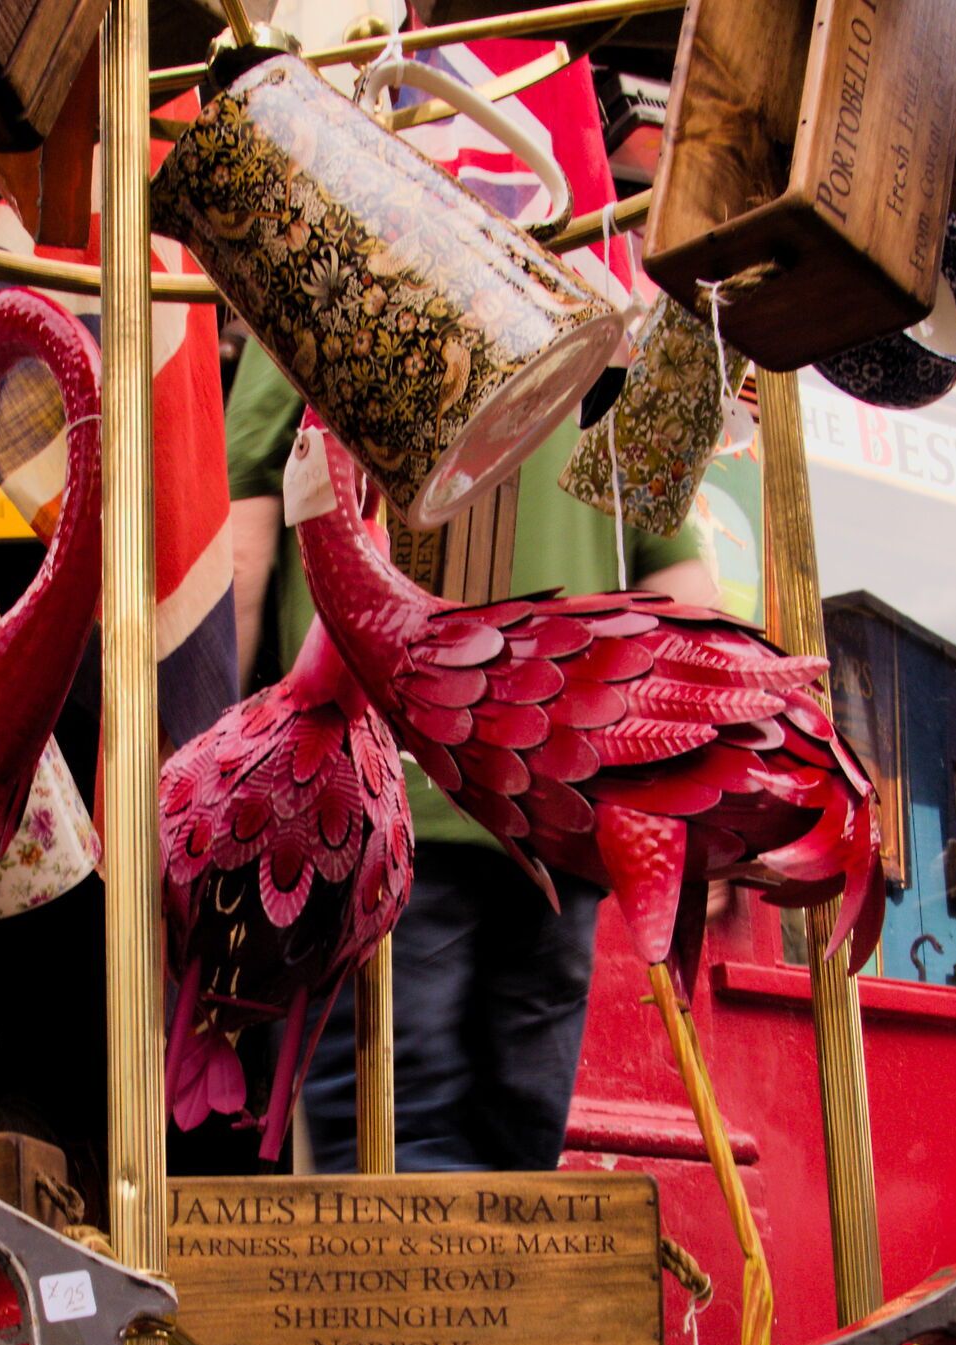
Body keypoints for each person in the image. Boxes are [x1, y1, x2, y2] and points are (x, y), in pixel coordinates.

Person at [223, 342, 717, 1172]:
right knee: (514, 1175)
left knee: (388, 1163)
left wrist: (203, 773)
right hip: (562, 808)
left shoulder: (323, 276)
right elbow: (685, 591)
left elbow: (241, 551)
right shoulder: (611, 313)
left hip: (380, 797)